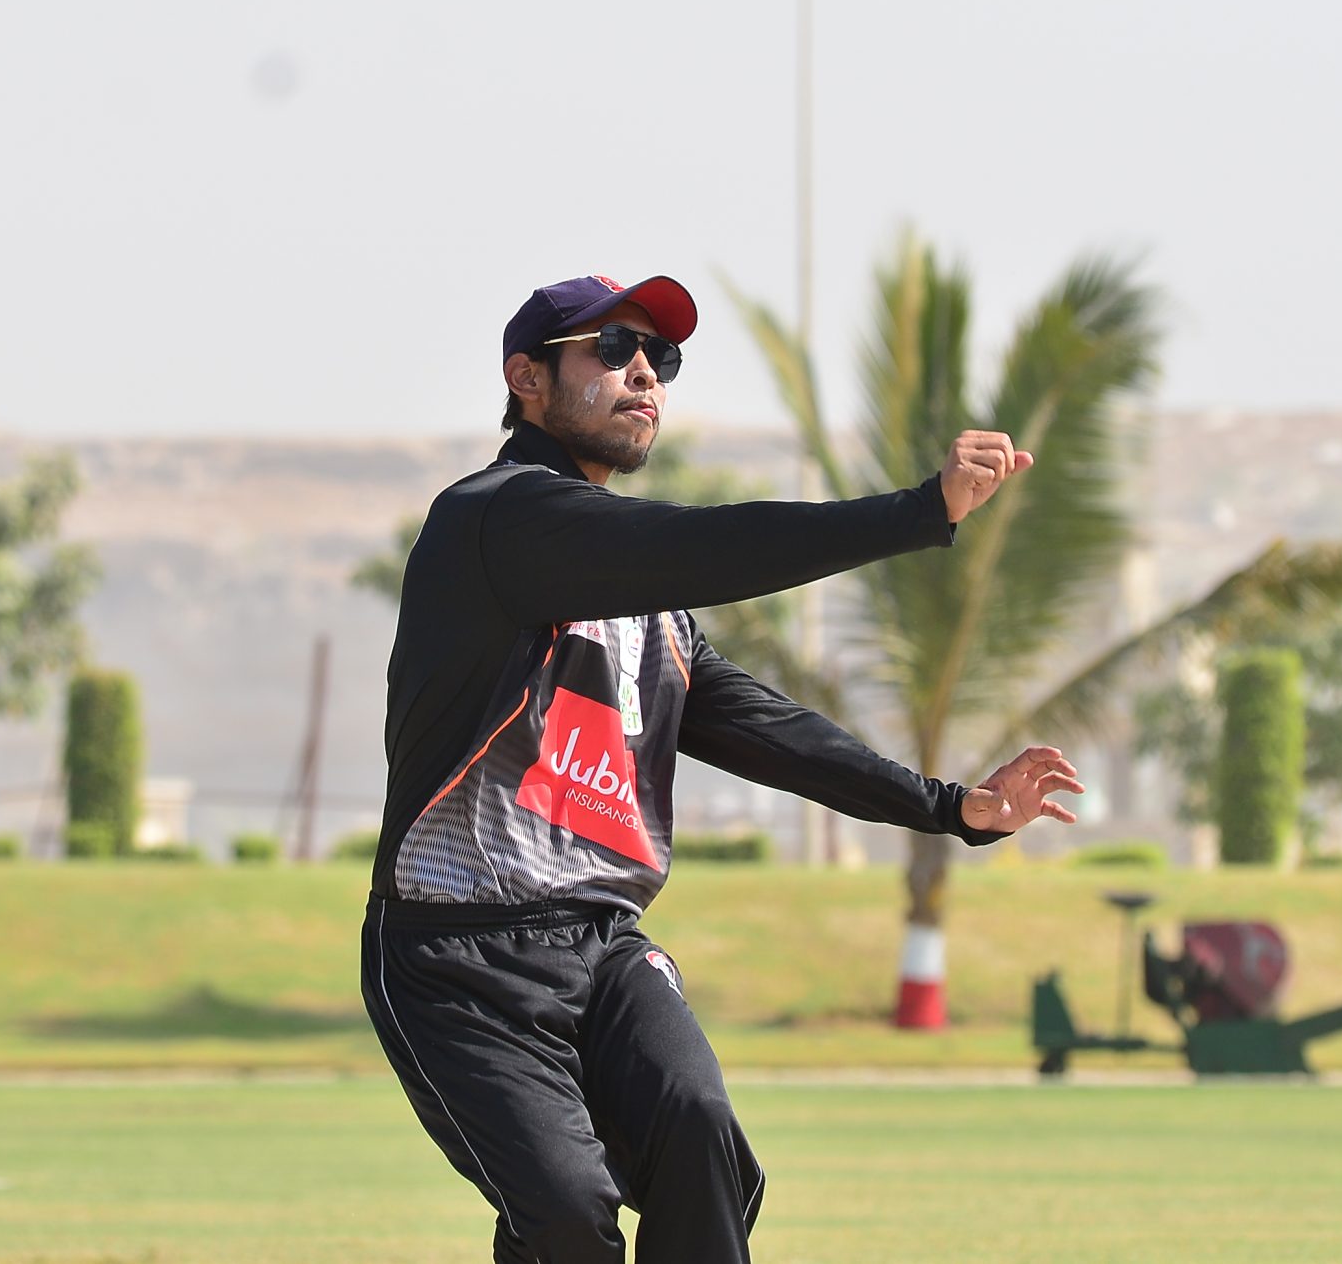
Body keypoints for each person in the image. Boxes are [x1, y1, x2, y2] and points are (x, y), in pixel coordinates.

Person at [361, 271, 1086, 1263]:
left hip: (601, 946)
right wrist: (921, 511)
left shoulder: (648, 608)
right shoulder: (494, 521)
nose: (644, 374)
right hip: (458, 961)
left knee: (702, 1138)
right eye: (611, 349)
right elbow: (710, 542)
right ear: (526, 378)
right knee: (567, 1215)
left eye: (660, 357)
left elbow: (773, 732)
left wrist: (954, 807)